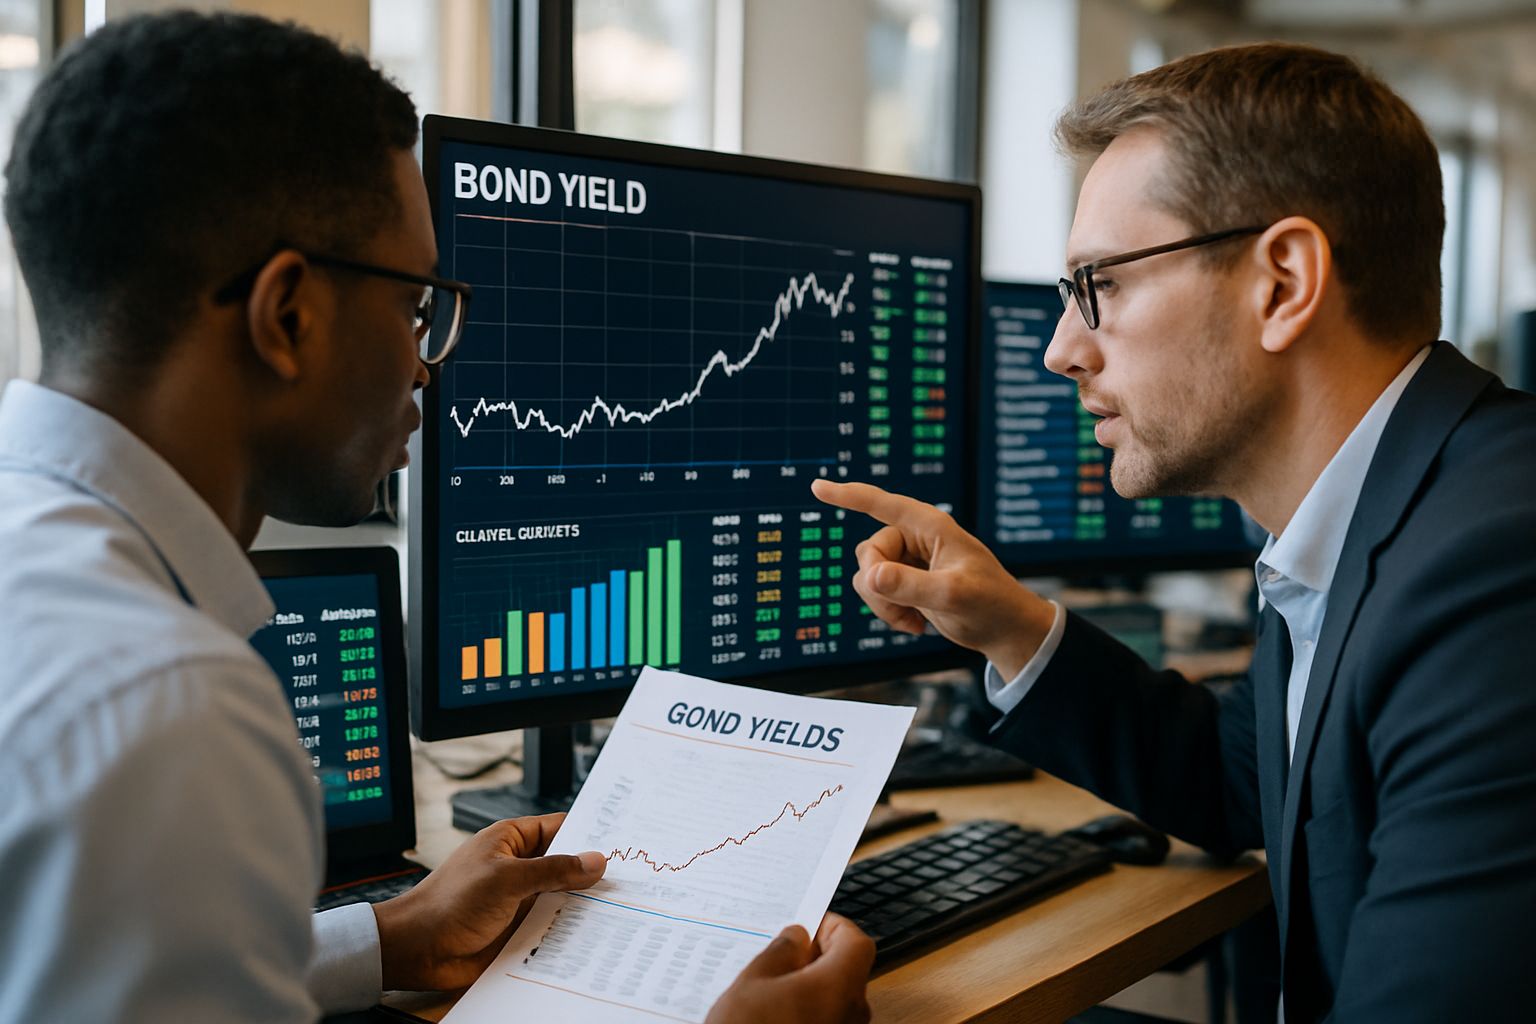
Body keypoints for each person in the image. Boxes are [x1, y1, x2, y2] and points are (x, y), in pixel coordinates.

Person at [0, 11, 870, 1022]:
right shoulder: (167, 710)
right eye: (417, 304)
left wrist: (390, 935)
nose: (426, 363)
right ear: (288, 316)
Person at [814, 42, 1536, 1022]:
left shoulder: (1497, 571)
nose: (1063, 349)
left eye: (1097, 283)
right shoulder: (1374, 518)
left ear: (1282, 282)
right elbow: (1247, 780)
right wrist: (1011, 627)